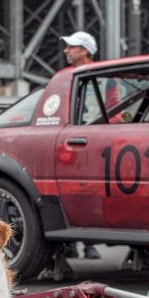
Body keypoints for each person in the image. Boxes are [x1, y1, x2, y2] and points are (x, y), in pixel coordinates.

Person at [59, 31, 103, 260]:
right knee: (68, 193)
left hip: (93, 145)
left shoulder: (103, 78)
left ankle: (88, 242)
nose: (66, 50)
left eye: (71, 46)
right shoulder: (65, 76)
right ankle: (71, 243)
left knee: (89, 193)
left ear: (84, 50)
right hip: (71, 146)